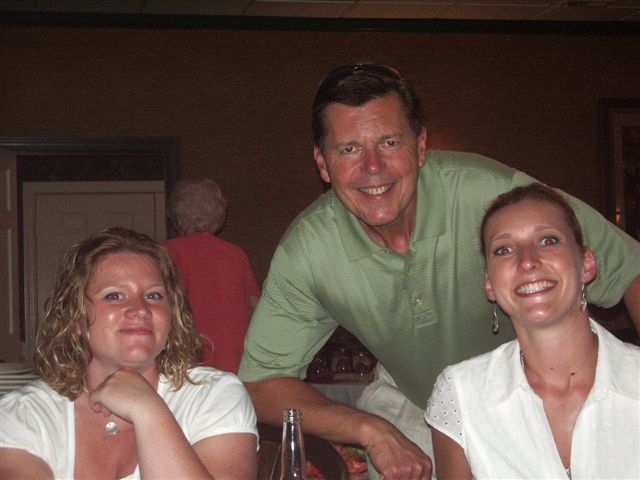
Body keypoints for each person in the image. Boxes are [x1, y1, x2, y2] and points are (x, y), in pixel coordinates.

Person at [237, 63, 640, 479]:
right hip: (418, 401)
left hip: (542, 388)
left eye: (390, 142)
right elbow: (260, 383)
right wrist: (367, 429)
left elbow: (630, 267)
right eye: (350, 149)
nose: (373, 166)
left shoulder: (489, 194)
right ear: (322, 163)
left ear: (421, 145)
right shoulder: (309, 250)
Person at [0, 227, 258, 479]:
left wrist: (147, 409)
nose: (140, 309)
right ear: (75, 318)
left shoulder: (213, 397)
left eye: (154, 295)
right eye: (114, 296)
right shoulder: (24, 416)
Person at [425, 183, 640, 479]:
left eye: (548, 241)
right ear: (490, 284)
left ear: (586, 264)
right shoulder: (461, 395)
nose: (527, 260)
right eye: (504, 249)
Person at [165, 178, 261, 374]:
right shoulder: (235, 254)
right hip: (235, 365)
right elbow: (256, 309)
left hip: (188, 366)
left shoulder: (168, 252)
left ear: (176, 214)